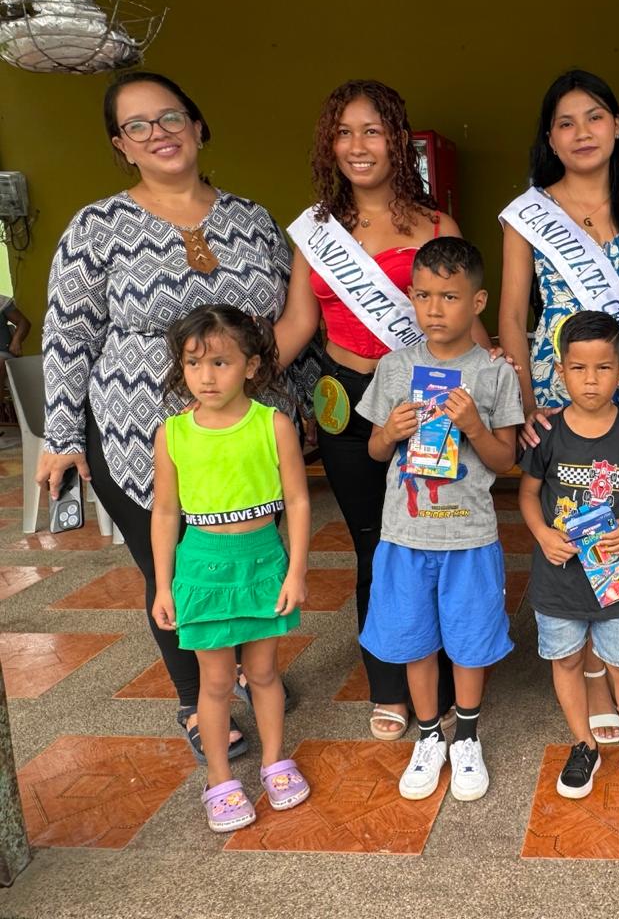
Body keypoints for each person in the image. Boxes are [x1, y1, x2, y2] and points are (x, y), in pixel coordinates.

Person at [39, 72, 297, 761]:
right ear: (120, 145)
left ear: (198, 125)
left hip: (248, 433)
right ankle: (196, 696)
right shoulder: (96, 226)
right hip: (139, 433)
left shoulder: (253, 219)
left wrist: (301, 409)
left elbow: (287, 320)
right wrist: (62, 434)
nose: (159, 133)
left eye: (171, 117)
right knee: (175, 565)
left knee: (248, 552)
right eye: (138, 125)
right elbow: (67, 334)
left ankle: (252, 670)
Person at [274, 79, 469, 741]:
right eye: (344, 132)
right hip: (346, 403)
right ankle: (388, 680)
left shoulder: (438, 226)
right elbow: (298, 324)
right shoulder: (317, 232)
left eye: (373, 131)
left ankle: (445, 680)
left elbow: (463, 322)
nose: (357, 145)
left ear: (398, 140)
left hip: (424, 401)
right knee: (374, 545)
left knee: (433, 537)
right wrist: (233, 378)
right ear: (330, 144)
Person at [498, 69, 619, 746]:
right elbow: (513, 315)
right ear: (550, 137)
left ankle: (616, 652)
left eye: (594, 117)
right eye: (566, 122)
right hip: (560, 388)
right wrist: (524, 401)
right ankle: (593, 670)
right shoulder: (529, 213)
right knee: (573, 515)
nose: (581, 133)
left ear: (617, 126)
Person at [356, 237, 523, 802]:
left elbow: (506, 460)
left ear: (477, 302)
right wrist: (390, 431)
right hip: (406, 535)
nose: (433, 309)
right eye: (423, 295)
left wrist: (474, 426)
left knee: (470, 641)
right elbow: (375, 450)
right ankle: (429, 735)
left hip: (469, 535)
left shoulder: (493, 374)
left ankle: (466, 736)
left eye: (449, 297)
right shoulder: (395, 367)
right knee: (414, 640)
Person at [151, 305, 311, 833]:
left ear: (251, 365)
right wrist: (164, 586)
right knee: (215, 681)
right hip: (201, 569)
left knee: (263, 673)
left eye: (220, 362)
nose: (206, 376)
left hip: (262, 562)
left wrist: (296, 571)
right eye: (193, 363)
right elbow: (166, 512)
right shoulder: (173, 434)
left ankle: (274, 762)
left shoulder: (273, 425)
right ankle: (219, 780)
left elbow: (298, 500)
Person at [518, 311, 619, 803]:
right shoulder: (547, 433)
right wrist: (542, 533)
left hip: (615, 579)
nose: (590, 380)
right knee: (565, 661)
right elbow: (527, 493)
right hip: (558, 577)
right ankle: (583, 744)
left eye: (603, 368)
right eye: (579, 368)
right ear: (560, 371)